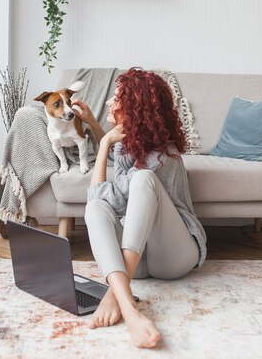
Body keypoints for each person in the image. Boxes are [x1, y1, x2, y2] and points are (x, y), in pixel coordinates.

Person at [71, 68, 207, 349]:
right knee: (96, 208)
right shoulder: (129, 146)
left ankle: (117, 299)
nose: (109, 102)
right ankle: (128, 304)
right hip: (139, 262)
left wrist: (105, 142)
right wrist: (102, 135)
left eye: (116, 98)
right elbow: (100, 199)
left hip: (174, 257)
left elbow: (114, 194)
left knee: (142, 179)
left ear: (133, 108)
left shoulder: (161, 156)